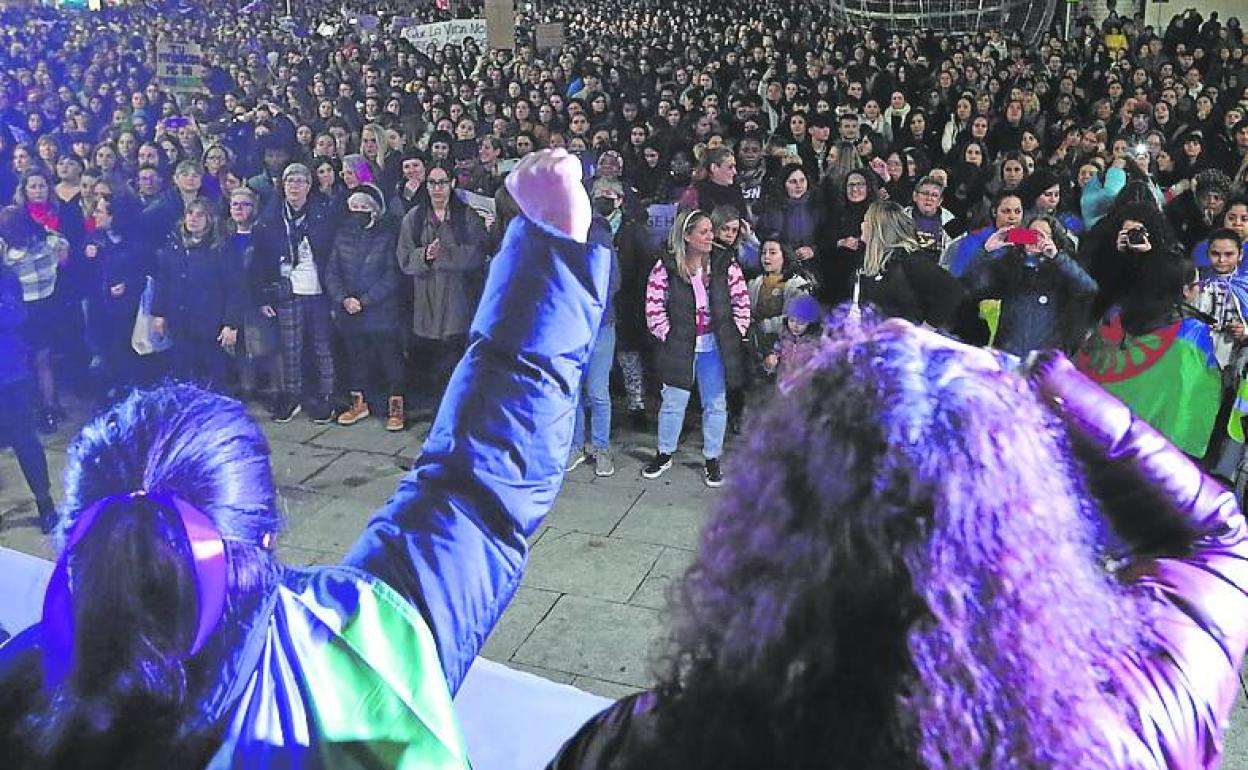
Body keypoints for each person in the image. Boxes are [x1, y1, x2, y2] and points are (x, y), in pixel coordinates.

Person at [0, 148, 610, 768]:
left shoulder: (21, 692)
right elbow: (473, 492)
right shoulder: (355, 647)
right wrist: (549, 254)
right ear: (264, 537)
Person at [549, 317, 1248, 770]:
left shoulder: (642, 747)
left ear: (773, 520)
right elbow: (1217, 538)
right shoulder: (1127, 732)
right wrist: (1039, 380)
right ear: (1024, 531)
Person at [642, 209, 751, 487]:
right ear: (686, 236)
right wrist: (668, 335)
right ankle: (664, 453)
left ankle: (712, 458)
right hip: (682, 346)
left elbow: (741, 300)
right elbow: (654, 308)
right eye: (704, 232)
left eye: (710, 231)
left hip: (715, 345)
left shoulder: (725, 263)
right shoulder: (665, 266)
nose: (710, 236)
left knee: (715, 403)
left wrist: (735, 330)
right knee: (673, 402)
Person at [396, 163, 489, 409]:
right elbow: (404, 258)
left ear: (453, 184)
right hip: (425, 304)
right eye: (432, 183)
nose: (437, 189)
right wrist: (424, 256)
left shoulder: (467, 217)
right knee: (429, 366)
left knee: (455, 363)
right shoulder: (414, 218)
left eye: (442, 182)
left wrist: (442, 256)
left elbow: (478, 254)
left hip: (457, 303)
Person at [252, 162, 339, 423]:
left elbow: (334, 254)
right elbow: (259, 260)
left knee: (322, 346)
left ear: (309, 186)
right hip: (288, 289)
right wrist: (263, 296)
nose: (294, 186)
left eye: (300, 181)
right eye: (290, 181)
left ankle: (327, 396)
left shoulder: (323, 213)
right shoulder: (271, 217)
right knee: (291, 347)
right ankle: (292, 395)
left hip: (320, 289)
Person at [326, 184, 405, 431]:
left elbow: (392, 275)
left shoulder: (387, 235)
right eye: (354, 207)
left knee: (390, 360)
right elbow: (332, 271)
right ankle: (358, 403)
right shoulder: (342, 234)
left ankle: (396, 408)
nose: (358, 211)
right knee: (356, 358)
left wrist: (366, 300)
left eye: (363, 207)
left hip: (380, 310)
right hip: (350, 310)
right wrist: (343, 299)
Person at [962, 215, 1098, 356]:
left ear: (1054, 240)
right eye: (1032, 233)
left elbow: (1088, 288)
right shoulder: (1008, 266)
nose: (1037, 239)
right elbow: (975, 287)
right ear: (1023, 235)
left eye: (1044, 235)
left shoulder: (1062, 270)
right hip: (1008, 355)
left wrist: (1057, 258)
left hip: (1045, 359)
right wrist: (986, 252)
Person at [150, 199, 243, 391]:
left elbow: (235, 288)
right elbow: (164, 281)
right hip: (180, 322)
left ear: (210, 219)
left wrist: (231, 324)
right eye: (190, 213)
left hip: (211, 325)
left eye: (200, 214)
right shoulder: (174, 245)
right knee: (181, 374)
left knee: (214, 376)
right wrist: (159, 314)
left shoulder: (222, 248)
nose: (193, 219)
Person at [567, 178, 624, 477]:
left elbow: (612, 280)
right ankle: (576, 444)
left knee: (598, 391)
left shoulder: (599, 232)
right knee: (573, 389)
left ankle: (600, 447)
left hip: (600, 324)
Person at [0, 251, 55, 532]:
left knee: (24, 440)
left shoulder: (6, 276)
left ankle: (44, 501)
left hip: (9, 374)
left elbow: (15, 316)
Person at [856, 201, 970, 334]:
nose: (862, 225)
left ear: (878, 228)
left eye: (865, 221)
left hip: (906, 347)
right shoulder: (872, 264)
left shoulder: (910, 261)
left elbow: (953, 290)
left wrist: (923, 332)